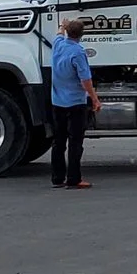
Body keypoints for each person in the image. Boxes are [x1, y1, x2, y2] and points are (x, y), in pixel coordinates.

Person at [48, 18, 99, 188]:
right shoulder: (78, 52)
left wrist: (62, 25)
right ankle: (74, 179)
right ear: (82, 35)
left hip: (57, 102)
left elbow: (58, 34)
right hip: (75, 103)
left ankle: (57, 178)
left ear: (68, 32)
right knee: (75, 142)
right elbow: (85, 79)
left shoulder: (58, 45)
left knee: (59, 141)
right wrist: (94, 98)